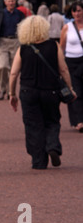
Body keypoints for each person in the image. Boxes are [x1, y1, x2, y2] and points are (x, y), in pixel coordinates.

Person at [9, 16, 75, 169]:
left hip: (28, 90)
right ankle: (52, 146)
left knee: (33, 125)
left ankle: (38, 160)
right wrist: (70, 88)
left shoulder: (23, 48)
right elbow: (63, 69)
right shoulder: (54, 45)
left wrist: (12, 94)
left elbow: (13, 73)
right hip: (50, 91)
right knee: (52, 121)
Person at [0, 0, 25, 100]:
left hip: (15, 42)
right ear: (5, 3)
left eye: (13, 1)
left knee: (14, 69)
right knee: (3, 66)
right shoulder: (0, 14)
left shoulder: (19, 14)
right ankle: (2, 89)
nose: (11, 3)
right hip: (2, 42)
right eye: (9, 1)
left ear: (15, 2)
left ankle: (11, 91)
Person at [59, 1, 83, 132]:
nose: (77, 14)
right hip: (71, 62)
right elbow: (61, 47)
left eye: (79, 10)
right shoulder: (67, 27)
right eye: (74, 11)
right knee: (76, 91)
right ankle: (78, 120)